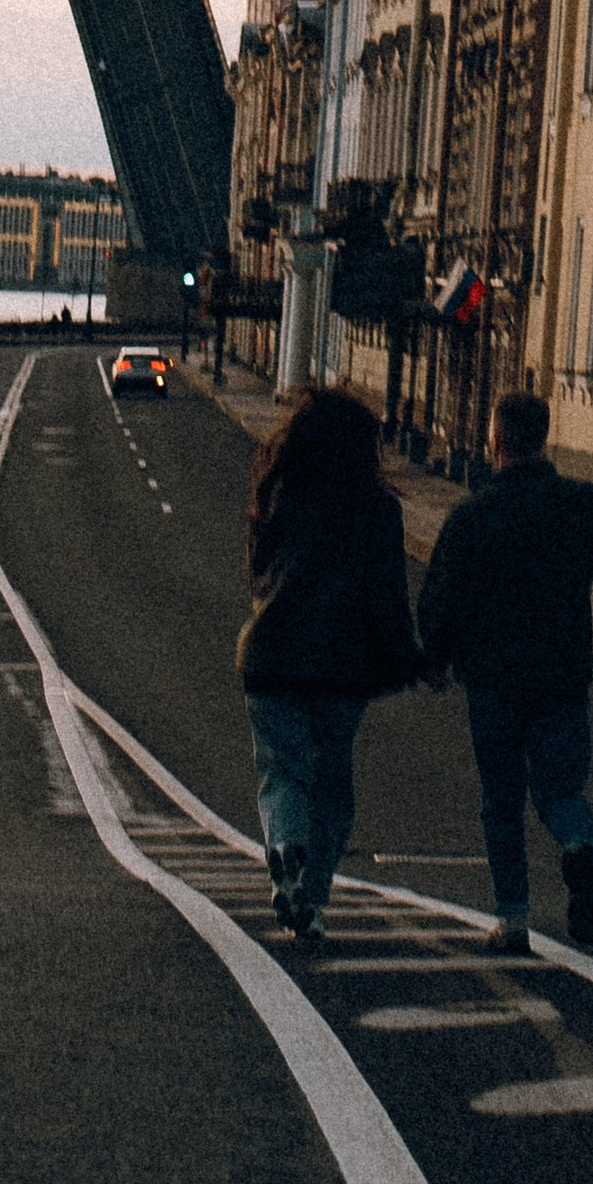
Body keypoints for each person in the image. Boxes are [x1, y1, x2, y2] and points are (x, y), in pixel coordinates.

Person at [415, 386, 593, 955]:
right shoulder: (581, 504)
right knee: (561, 787)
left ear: (496, 439)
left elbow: (442, 597)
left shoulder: (474, 515)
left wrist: (435, 658)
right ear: (543, 438)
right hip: (561, 674)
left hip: (494, 680)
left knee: (501, 797)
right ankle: (576, 847)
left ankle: (514, 917)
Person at [236, 386, 420, 943]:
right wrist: (408, 659)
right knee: (333, 783)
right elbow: (387, 596)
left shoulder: (277, 491)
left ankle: (285, 847)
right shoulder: (377, 508)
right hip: (343, 666)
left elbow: (257, 570)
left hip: (270, 655)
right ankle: (312, 900)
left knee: (282, 770)